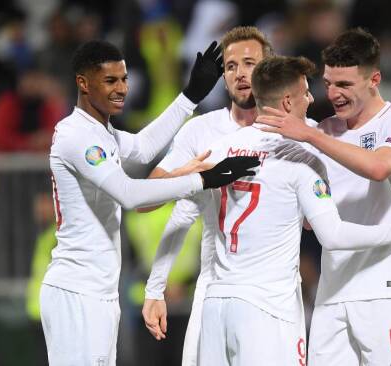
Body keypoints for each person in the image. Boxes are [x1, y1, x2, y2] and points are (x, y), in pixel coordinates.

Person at [197, 55, 391, 366]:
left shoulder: (223, 147)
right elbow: (330, 232)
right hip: (271, 306)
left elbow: (152, 193)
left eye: (342, 84)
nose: (321, 96)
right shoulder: (305, 151)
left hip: (220, 299)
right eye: (320, 87)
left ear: (373, 80)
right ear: (286, 101)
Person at [40, 39, 258, 366]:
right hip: (76, 290)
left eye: (124, 79)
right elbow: (129, 194)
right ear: (83, 84)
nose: (122, 89)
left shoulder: (104, 133)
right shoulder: (77, 137)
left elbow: (143, 147)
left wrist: (190, 97)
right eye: (110, 80)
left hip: (97, 290)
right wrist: (202, 180)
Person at [257, 28, 391, 365]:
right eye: (329, 83)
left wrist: (308, 135)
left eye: (345, 85)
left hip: (385, 288)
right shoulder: (324, 131)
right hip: (332, 290)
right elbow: (309, 217)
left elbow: (378, 167)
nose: (334, 94)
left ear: (374, 79)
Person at [140, 26, 277, 365]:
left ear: (268, 69)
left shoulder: (294, 132)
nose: (240, 73)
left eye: (250, 63)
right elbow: (147, 200)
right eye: (231, 66)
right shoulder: (201, 131)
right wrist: (155, 289)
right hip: (214, 287)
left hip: (275, 293)